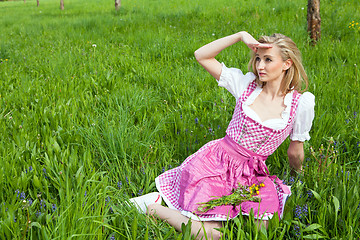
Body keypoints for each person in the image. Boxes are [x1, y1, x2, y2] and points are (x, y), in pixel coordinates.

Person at [129, 31, 315, 239]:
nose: (260, 66)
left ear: (287, 64)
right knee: (212, 234)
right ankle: (151, 207)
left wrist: (299, 177)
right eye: (258, 59)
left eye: (268, 59)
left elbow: (295, 151)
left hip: (252, 175)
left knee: (262, 231)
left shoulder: (300, 104)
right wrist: (240, 36)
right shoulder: (246, 85)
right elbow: (202, 56)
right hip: (216, 164)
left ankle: (236, 212)